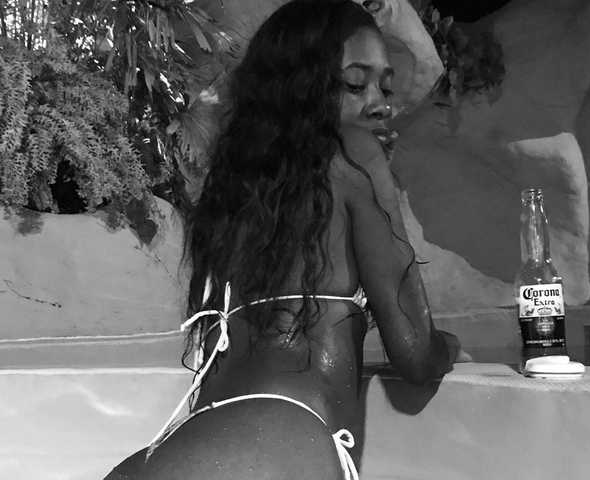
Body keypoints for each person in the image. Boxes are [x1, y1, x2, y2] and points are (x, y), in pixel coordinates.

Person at [105, 1, 463, 478]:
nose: (380, 103)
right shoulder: (356, 154)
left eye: (385, 86)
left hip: (186, 443)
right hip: (272, 438)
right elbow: (415, 353)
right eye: (355, 84)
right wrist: (449, 346)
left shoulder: (236, 185)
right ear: (305, 87)